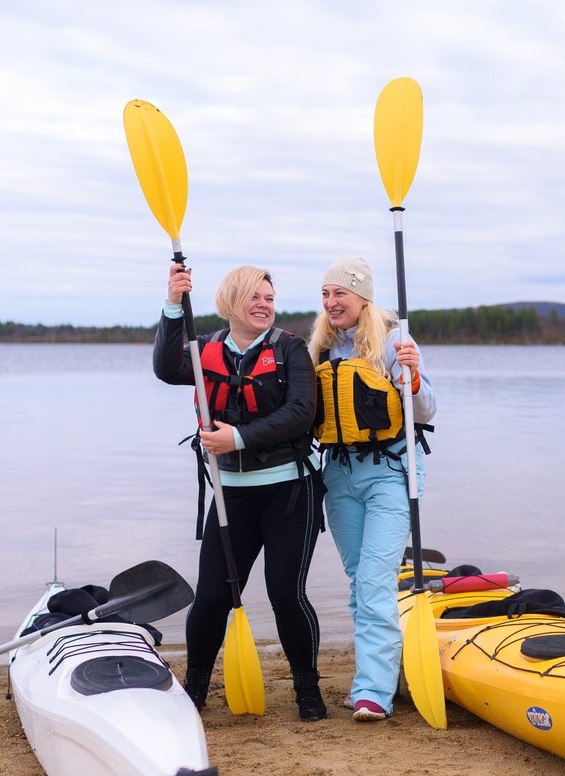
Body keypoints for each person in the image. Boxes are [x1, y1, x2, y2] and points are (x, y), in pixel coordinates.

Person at [152, 263, 327, 721]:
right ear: (231, 302)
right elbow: (167, 369)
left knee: (285, 593)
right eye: (255, 297)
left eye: (270, 298)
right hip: (231, 493)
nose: (264, 305)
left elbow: (301, 412)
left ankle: (308, 690)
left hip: (290, 490)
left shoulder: (291, 350)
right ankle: (195, 689)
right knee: (211, 595)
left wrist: (239, 438)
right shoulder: (204, 348)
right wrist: (173, 304)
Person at [308, 256, 435, 722]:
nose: (331, 301)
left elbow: (428, 409)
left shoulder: (395, 340)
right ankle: (380, 675)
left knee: (374, 582)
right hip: (339, 476)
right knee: (360, 584)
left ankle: (372, 694)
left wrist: (414, 377)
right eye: (325, 294)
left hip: (390, 474)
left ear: (363, 297)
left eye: (339, 293)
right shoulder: (320, 347)